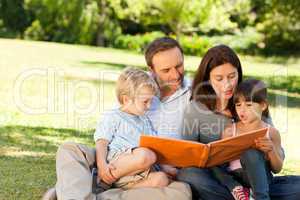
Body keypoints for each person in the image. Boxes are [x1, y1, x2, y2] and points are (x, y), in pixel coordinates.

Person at [47, 37, 192, 200]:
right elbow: (107, 132)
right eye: (166, 70)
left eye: (179, 66)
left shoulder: (194, 92)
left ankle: (85, 191)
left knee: (179, 190)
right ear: (151, 70)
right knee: (69, 150)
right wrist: (102, 165)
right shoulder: (139, 85)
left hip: (150, 168)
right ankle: (92, 184)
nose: (175, 74)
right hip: (116, 157)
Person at [177, 44, 300, 200]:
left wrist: (268, 151)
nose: (227, 85)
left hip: (258, 176)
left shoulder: (252, 99)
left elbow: (277, 157)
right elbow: (190, 154)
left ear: (239, 73)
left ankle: (251, 195)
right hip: (222, 179)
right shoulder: (195, 109)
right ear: (207, 79)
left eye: (232, 76)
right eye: (219, 78)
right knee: (188, 174)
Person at [95, 67, 170, 189]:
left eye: (151, 100)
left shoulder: (144, 120)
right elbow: (101, 143)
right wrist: (102, 165)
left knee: (162, 178)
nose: (149, 105)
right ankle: (104, 181)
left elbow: (154, 146)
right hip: (117, 165)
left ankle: (122, 193)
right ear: (126, 100)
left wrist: (165, 166)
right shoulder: (113, 116)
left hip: (139, 174)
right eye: (145, 101)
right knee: (145, 155)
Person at [211, 79, 283, 200]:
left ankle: (260, 197)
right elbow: (222, 163)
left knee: (251, 154)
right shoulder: (230, 131)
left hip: (261, 179)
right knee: (212, 161)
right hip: (236, 177)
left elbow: (277, 169)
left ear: (263, 105)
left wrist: (271, 151)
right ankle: (237, 189)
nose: (242, 110)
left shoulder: (271, 133)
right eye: (238, 105)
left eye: (249, 105)